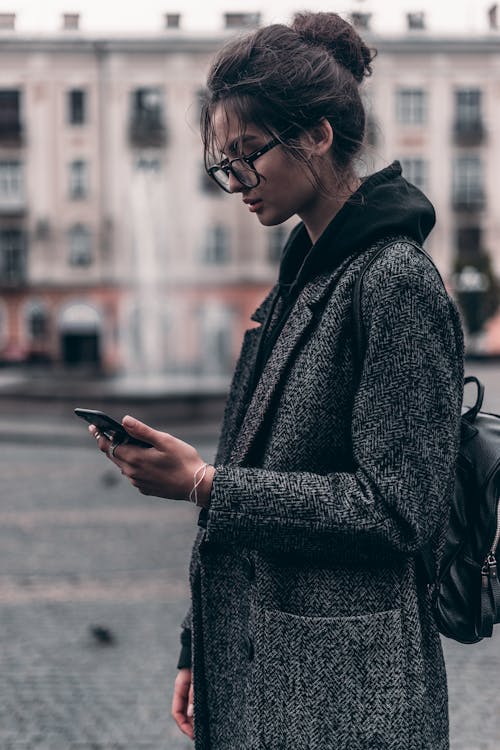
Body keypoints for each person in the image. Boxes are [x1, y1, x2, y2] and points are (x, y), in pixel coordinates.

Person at [90, 11, 464, 750]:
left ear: (319, 135)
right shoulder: (295, 285)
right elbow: (259, 471)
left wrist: (203, 483)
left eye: (247, 154)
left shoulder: (393, 283)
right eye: (223, 163)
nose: (235, 181)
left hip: (352, 694)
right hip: (261, 668)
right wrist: (200, 645)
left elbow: (398, 511)